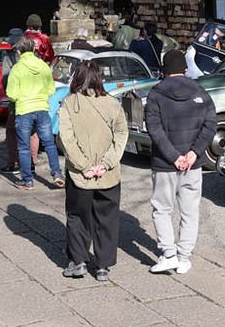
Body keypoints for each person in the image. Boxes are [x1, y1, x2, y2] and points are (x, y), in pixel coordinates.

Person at [144, 49, 216, 274]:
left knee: (162, 209)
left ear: (164, 71)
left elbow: (154, 129)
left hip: (165, 164)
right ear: (184, 69)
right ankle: (184, 257)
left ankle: (168, 254)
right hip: (193, 164)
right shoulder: (201, 92)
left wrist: (174, 156)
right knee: (190, 211)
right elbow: (210, 124)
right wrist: (194, 153)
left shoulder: (156, 94)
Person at [57, 61, 128, 281]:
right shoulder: (113, 103)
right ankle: (102, 266)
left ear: (76, 78)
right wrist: (105, 164)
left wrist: (84, 166)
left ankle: (78, 262)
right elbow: (121, 136)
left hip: (80, 176)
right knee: (106, 219)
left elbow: (66, 140)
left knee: (78, 217)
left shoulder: (69, 103)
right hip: (108, 174)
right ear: (99, 78)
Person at [6, 35, 63, 191]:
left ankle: (27, 180)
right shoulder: (43, 66)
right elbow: (51, 89)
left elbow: (11, 94)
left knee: (23, 147)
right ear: (33, 49)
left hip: (24, 110)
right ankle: (57, 173)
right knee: (49, 144)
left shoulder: (16, 69)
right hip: (42, 108)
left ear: (18, 52)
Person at [0, 37, 38, 174]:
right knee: (33, 133)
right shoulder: (37, 58)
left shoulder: (9, 58)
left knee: (11, 131)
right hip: (36, 100)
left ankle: (14, 163)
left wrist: (10, 95)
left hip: (18, 101)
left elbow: (5, 80)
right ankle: (32, 162)